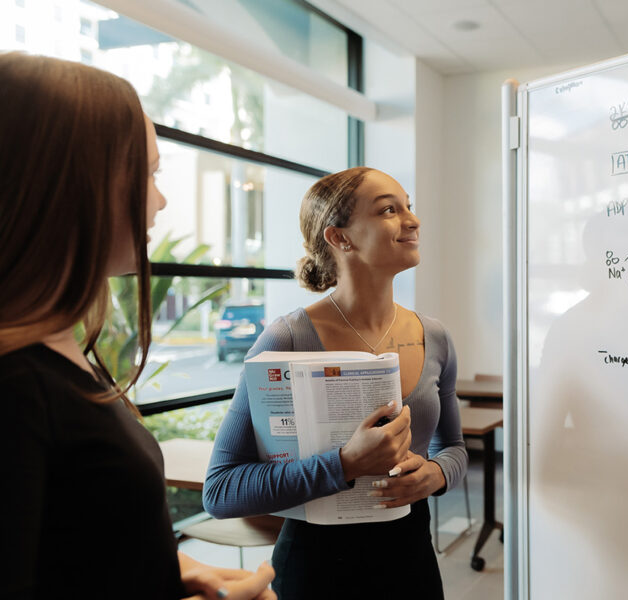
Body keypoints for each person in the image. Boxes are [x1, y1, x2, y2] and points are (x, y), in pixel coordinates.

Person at [0, 53, 276, 600]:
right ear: (74, 183)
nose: (160, 200)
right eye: (148, 174)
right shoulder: (16, 389)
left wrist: (172, 571)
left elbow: (70, 547)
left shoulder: (57, 357)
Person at [203, 167, 468, 599]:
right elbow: (222, 489)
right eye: (388, 209)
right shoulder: (286, 340)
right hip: (316, 567)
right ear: (340, 238)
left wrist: (435, 475)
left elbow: (453, 448)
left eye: (408, 207)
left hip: (411, 559)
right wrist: (344, 464)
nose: (412, 220)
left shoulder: (434, 336)